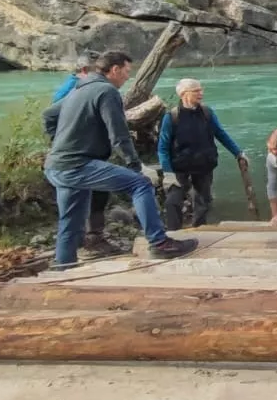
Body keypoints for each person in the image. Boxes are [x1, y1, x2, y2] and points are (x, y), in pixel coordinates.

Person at [41, 51, 196, 267]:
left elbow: (48, 114)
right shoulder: (106, 90)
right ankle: (160, 243)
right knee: (140, 184)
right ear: (114, 70)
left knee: (71, 220)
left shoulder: (80, 89)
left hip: (56, 165)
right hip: (78, 165)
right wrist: (137, 166)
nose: (127, 77)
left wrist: (57, 142)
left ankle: (63, 266)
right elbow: (119, 134)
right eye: (126, 71)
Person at [49, 55, 124, 257]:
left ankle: (69, 257)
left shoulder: (84, 87)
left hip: (86, 154)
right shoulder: (76, 88)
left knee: (86, 203)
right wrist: (59, 142)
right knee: (91, 198)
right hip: (79, 157)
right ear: (83, 71)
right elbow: (51, 115)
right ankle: (90, 240)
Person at [157, 78, 248, 232]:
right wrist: (168, 172)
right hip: (179, 166)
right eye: (197, 91)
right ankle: (174, 233)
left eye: (201, 89)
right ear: (184, 94)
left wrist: (238, 153)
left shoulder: (207, 113)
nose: (201, 93)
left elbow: (220, 134)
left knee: (203, 201)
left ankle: (199, 231)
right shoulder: (171, 117)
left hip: (204, 164)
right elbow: (163, 148)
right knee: (173, 201)